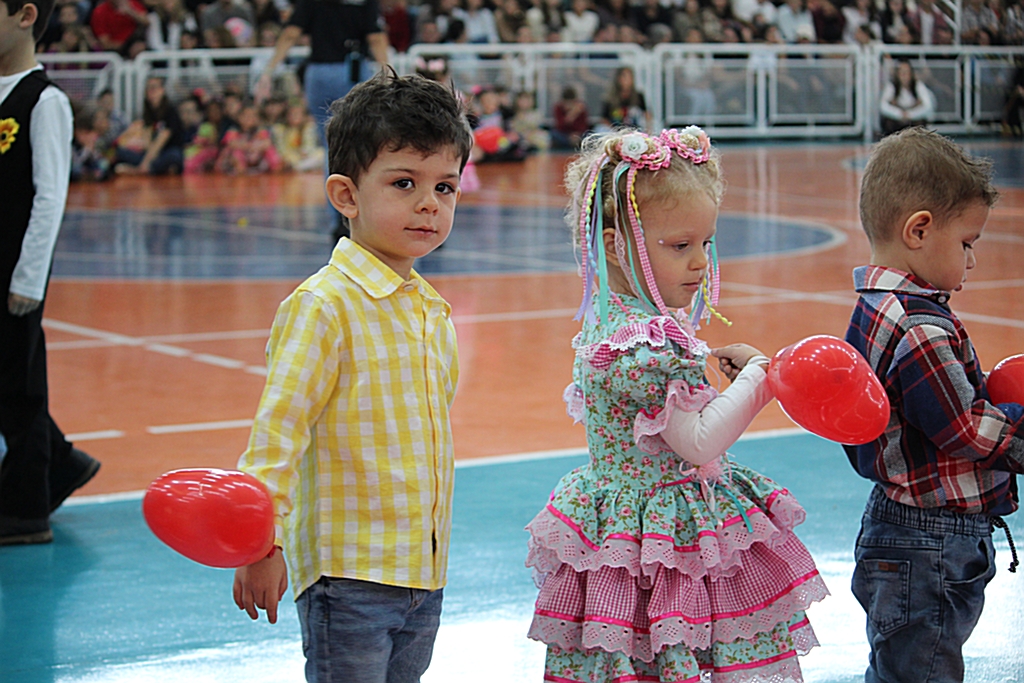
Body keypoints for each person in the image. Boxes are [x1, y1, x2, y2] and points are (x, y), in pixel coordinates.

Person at [524, 127, 829, 682]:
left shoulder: (611, 323)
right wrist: (761, 377)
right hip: (665, 527)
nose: (699, 263)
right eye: (678, 246)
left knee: (638, 651)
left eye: (706, 243)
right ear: (617, 245)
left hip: (625, 523)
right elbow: (698, 441)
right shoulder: (651, 346)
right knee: (683, 643)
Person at [230, 70, 473, 683]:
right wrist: (260, 544)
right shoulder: (323, 305)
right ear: (345, 194)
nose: (429, 203)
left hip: (423, 569)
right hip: (351, 573)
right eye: (404, 183)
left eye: (445, 186)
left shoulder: (431, 309)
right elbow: (277, 433)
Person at [844, 126, 1024, 683]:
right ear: (920, 229)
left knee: (903, 665)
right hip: (931, 540)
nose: (971, 261)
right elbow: (966, 431)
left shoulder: (876, 307)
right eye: (967, 242)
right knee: (923, 669)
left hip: (903, 528)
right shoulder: (921, 324)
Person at [1, 0, 101, 546]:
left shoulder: (45, 101)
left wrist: (27, 281)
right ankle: (62, 462)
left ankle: (25, 510)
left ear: (24, 16)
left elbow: (49, 199)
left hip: (15, 273)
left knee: (19, 390)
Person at [253, 0, 388, 242]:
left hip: (319, 72)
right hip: (353, 71)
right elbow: (376, 38)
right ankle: (363, 212)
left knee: (330, 145)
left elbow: (290, 33)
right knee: (362, 142)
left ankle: (338, 216)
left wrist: (269, 70)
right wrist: (388, 74)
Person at [878, 60, 935, 136]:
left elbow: (928, 106)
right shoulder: (892, 86)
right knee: (888, 123)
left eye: (907, 72)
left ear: (911, 73)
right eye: (902, 72)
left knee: (921, 124)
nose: (904, 76)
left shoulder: (918, 85)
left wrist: (910, 115)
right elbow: (883, 106)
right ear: (897, 74)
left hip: (913, 121)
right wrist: (899, 114)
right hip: (897, 122)